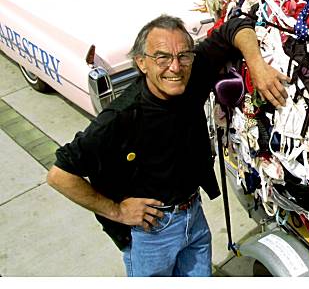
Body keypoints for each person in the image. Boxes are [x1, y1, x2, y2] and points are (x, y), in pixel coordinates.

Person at [46, 15, 289, 277]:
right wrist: (116, 211)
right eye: (162, 58)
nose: (175, 67)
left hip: (193, 216)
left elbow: (237, 26)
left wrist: (258, 66)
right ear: (141, 63)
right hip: (152, 232)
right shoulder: (121, 117)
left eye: (183, 55)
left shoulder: (192, 74)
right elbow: (59, 175)